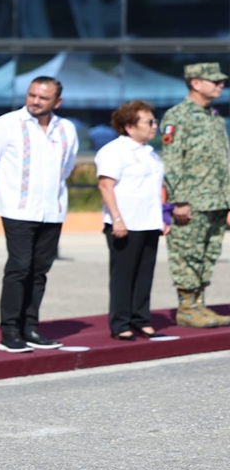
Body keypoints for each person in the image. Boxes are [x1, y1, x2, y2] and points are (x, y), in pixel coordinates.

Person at [0, 76, 79, 353]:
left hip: (52, 210)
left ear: (57, 102)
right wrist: (11, 189)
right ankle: (10, 331)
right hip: (17, 210)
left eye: (43, 98)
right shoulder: (6, 124)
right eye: (32, 95)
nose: (35, 101)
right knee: (19, 268)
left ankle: (30, 327)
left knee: (40, 271)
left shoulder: (66, 129)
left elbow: (66, 168)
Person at [159, 62, 230, 328]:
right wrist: (179, 201)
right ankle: (187, 307)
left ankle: (199, 303)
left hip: (216, 200)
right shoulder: (178, 116)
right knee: (186, 253)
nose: (220, 85)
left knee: (208, 252)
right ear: (196, 83)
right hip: (191, 201)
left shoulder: (214, 117)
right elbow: (173, 161)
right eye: (215, 81)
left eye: (221, 81)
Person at [95, 101, 170, 340]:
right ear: (129, 126)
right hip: (125, 222)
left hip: (149, 221)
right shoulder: (114, 151)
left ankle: (141, 319)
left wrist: (163, 216)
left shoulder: (149, 152)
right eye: (149, 122)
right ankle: (121, 323)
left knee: (144, 273)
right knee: (123, 275)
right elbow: (106, 186)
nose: (154, 126)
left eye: (154, 121)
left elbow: (157, 188)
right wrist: (117, 218)